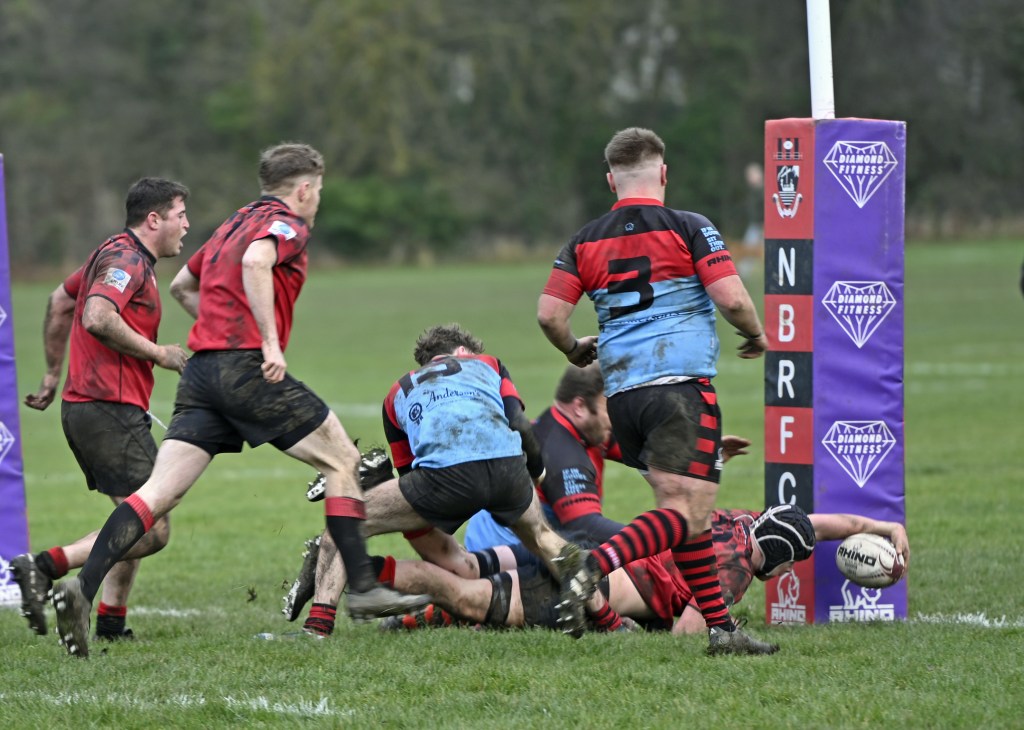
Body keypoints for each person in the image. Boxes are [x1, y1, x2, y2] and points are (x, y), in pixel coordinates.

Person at [48, 143, 427, 658]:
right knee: (343, 461)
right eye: (318, 190)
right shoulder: (287, 224)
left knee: (155, 494)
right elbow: (256, 261)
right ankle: (360, 588)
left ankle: (81, 589)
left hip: (202, 374)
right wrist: (266, 341)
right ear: (305, 189)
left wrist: (222, 330)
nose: (317, 199)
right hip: (245, 369)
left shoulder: (232, 223)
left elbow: (184, 285)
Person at [537, 126, 775, 655]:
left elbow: (550, 315)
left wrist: (573, 349)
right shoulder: (690, 226)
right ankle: (592, 565)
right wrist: (755, 334)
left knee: (683, 516)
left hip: (622, 397)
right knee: (688, 514)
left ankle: (721, 631)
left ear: (611, 181)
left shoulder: (583, 240)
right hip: (678, 390)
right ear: (664, 173)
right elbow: (732, 299)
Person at [286, 323, 585, 638]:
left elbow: (411, 481)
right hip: (508, 471)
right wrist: (536, 472)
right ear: (464, 352)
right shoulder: (490, 364)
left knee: (345, 519)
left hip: (446, 477)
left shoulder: (398, 391)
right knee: (547, 540)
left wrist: (387, 494)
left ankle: (317, 628)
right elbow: (520, 424)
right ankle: (607, 619)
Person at [13, 177, 191, 642]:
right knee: (151, 528)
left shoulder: (111, 252)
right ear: (154, 220)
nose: (187, 225)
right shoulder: (126, 260)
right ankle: (44, 566)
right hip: (107, 410)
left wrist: (52, 374)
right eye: (180, 215)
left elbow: (60, 302)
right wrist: (159, 353)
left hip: (90, 408)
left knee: (131, 514)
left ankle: (111, 622)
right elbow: (96, 316)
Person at [374, 508, 909, 635]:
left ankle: (392, 518)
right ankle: (369, 574)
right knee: (468, 597)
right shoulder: (734, 576)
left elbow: (821, 524)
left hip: (587, 549)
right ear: (783, 562)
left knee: (467, 568)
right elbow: (686, 635)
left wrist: (884, 527)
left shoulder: (737, 519)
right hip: (593, 588)